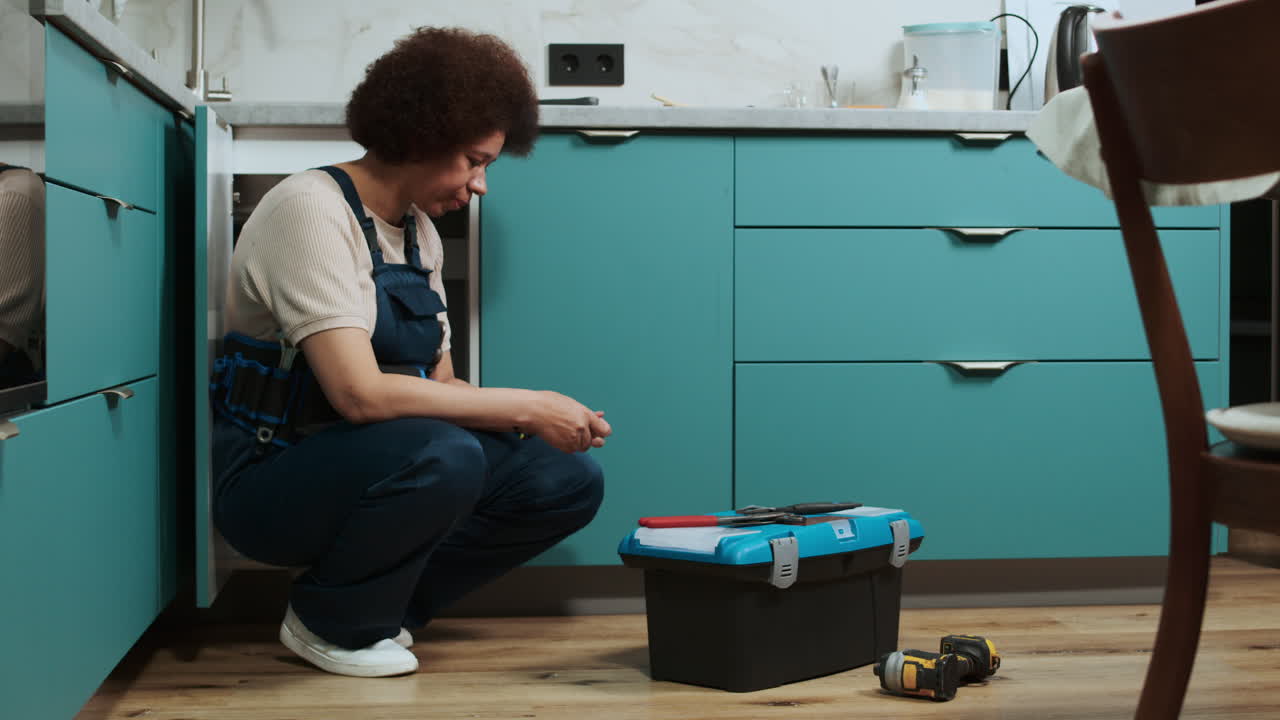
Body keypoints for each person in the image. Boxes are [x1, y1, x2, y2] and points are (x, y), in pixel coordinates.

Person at [210, 27, 609, 678]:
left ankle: (372, 603)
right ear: (422, 136)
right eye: (474, 161)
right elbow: (357, 394)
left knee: (564, 479)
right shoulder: (309, 210)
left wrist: (536, 422)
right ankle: (328, 624)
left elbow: (443, 388)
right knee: (442, 452)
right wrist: (528, 404)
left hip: (375, 465)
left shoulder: (420, 235)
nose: (481, 185)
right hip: (269, 478)